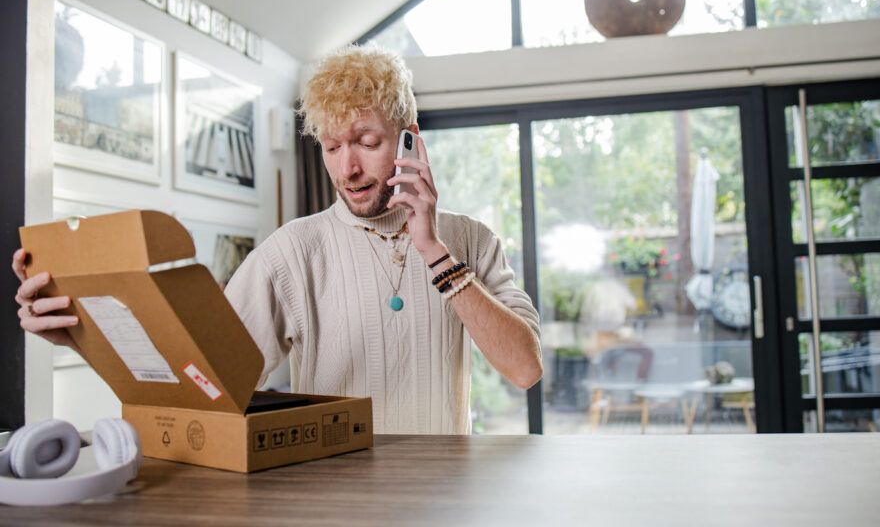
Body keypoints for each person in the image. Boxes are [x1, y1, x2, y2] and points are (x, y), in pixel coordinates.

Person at [12, 45, 542, 435]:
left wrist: (433, 250)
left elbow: (525, 368)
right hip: (332, 497)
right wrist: (85, 332)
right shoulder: (291, 252)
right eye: (332, 147)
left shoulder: (470, 241)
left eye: (366, 142)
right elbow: (207, 381)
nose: (348, 168)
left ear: (410, 140)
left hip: (445, 497)